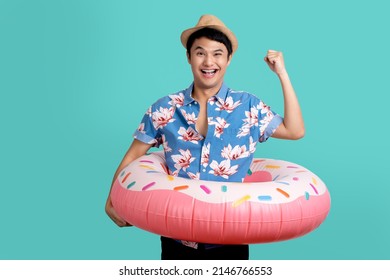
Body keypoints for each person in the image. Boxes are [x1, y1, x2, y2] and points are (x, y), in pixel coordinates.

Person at [105, 14, 304, 260]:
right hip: (177, 240)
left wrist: (282, 74)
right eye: (200, 52)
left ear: (229, 59)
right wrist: (112, 198)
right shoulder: (165, 108)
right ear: (188, 57)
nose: (209, 61)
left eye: (218, 53)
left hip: (232, 239)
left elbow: (295, 131)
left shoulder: (248, 106)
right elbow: (134, 155)